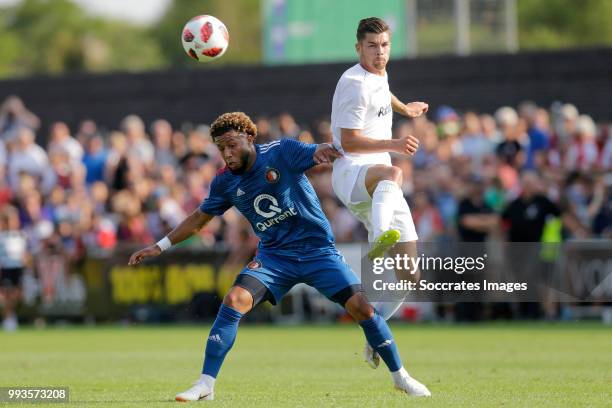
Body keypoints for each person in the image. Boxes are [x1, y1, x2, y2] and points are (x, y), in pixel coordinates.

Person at [128, 112, 431, 401]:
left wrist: (366, 152)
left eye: (232, 145)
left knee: (362, 309)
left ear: (249, 137)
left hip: (317, 252)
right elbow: (199, 218)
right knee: (234, 299)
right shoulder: (224, 182)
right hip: (275, 258)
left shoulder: (282, 152)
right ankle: (206, 384)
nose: (228, 154)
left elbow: (327, 151)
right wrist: (160, 245)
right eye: (222, 149)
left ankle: (400, 377)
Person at [329, 17, 428, 367]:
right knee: (393, 169)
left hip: (381, 185)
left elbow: (381, 93)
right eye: (372, 46)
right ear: (358, 48)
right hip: (353, 171)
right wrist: (396, 143)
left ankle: (376, 329)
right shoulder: (352, 82)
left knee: (410, 275)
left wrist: (405, 109)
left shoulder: (377, 74)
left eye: (384, 45)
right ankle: (378, 241)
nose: (379, 52)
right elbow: (349, 140)